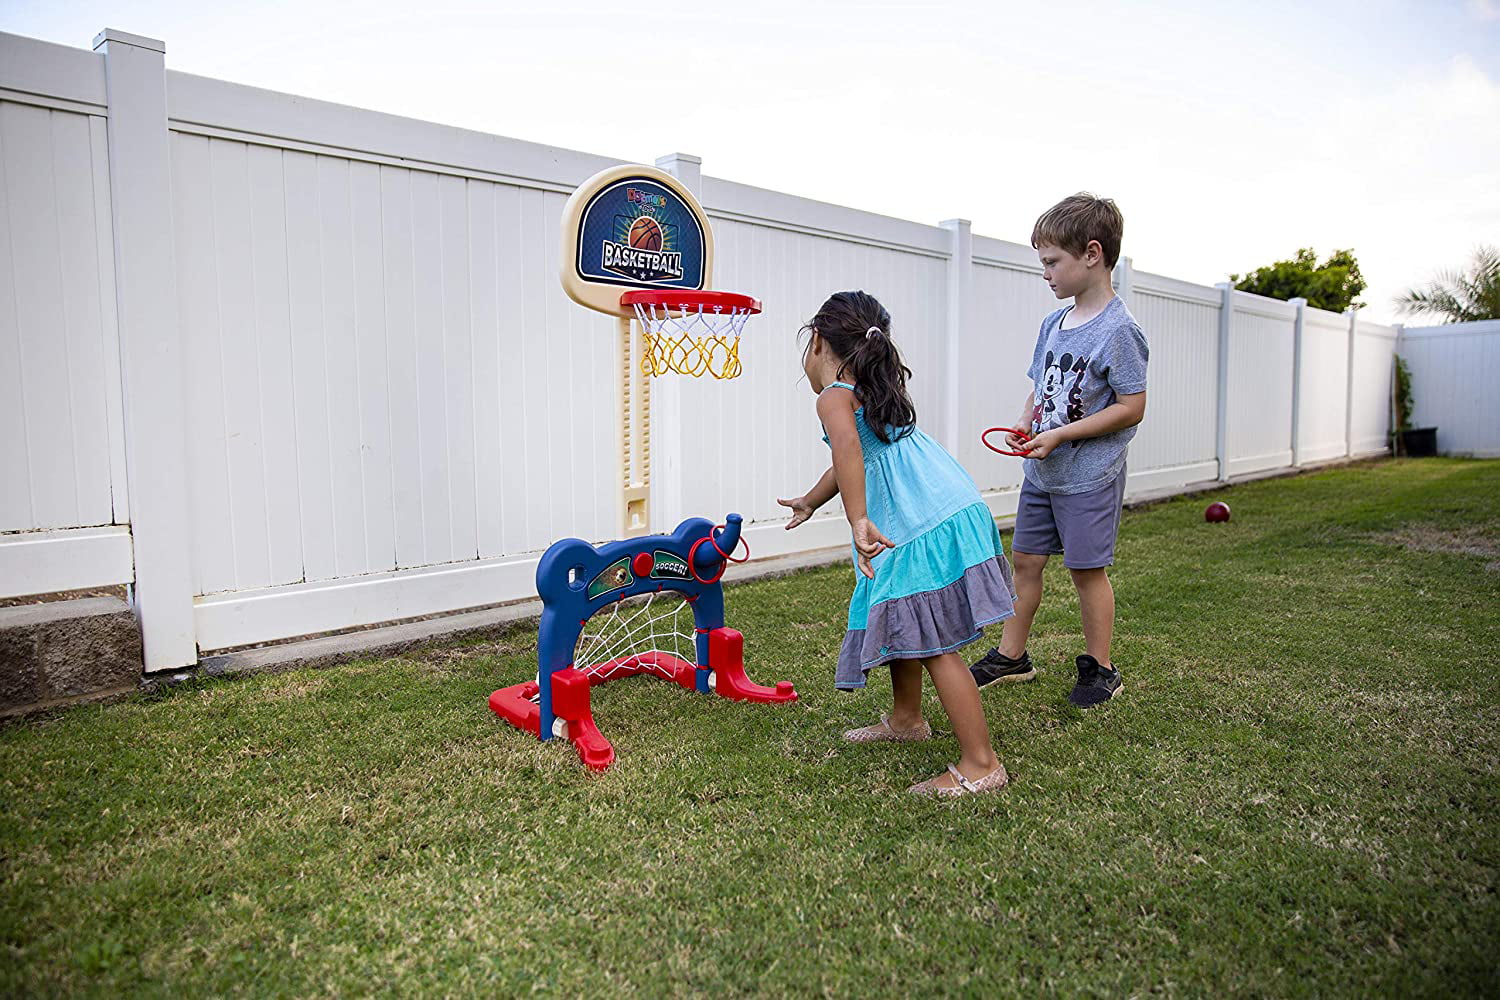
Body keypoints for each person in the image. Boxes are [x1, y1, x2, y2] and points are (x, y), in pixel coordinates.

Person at [778, 290, 1015, 797]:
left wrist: (858, 519)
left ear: (816, 341)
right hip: (945, 505)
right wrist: (812, 500)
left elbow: (847, 448)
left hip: (919, 522)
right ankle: (906, 719)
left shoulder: (833, 397)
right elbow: (851, 457)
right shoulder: (872, 388)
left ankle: (981, 763)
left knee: (937, 645)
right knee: (903, 613)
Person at [969, 194, 1148, 707]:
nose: (1045, 273)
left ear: (1092, 254)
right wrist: (1027, 422)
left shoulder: (1120, 331)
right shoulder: (1053, 324)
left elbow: (1132, 406)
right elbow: (1040, 387)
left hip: (1088, 475)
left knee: (1086, 570)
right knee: (1025, 560)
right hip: (1043, 474)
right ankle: (1012, 656)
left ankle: (1101, 669)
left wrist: (1063, 436)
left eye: (1052, 262)